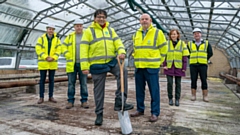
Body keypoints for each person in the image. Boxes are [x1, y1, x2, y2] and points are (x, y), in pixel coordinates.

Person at [80, 9, 134, 126]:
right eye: (99, 17)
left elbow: (118, 42)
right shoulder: (89, 31)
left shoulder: (110, 30)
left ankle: (120, 100)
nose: (101, 18)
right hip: (97, 64)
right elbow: (83, 50)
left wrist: (121, 51)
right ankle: (99, 114)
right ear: (94, 19)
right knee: (98, 91)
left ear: (106, 18)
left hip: (111, 61)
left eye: (103, 17)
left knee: (123, 71)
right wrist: (84, 66)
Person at [130, 13, 168, 122]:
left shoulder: (157, 33)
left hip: (151, 67)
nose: (144, 21)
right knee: (139, 90)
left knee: (154, 91)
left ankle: (155, 112)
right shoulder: (136, 34)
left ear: (151, 20)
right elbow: (136, 49)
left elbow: (164, 50)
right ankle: (140, 109)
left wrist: (159, 62)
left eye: (146, 19)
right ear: (140, 21)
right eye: (142, 19)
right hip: (139, 67)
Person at [62, 19, 89, 109]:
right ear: (74, 27)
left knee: (84, 83)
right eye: (77, 26)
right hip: (72, 64)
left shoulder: (86, 36)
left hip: (83, 64)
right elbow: (63, 46)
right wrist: (67, 54)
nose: (79, 27)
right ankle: (70, 101)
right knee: (71, 83)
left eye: (80, 26)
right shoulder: (69, 36)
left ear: (82, 26)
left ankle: (84, 101)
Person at [35, 23, 61, 104]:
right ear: (47, 29)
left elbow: (59, 50)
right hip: (43, 63)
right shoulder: (41, 39)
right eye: (50, 29)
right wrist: (46, 57)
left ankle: (51, 96)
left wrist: (53, 57)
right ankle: (41, 97)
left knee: (51, 80)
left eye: (52, 29)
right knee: (42, 80)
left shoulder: (57, 40)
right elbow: (38, 49)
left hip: (52, 63)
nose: (51, 31)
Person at [163, 29, 189, 107]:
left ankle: (177, 99)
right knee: (170, 83)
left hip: (179, 67)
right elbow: (164, 55)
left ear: (178, 35)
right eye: (172, 34)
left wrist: (184, 67)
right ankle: (170, 98)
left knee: (178, 84)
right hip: (169, 66)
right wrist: (164, 65)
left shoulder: (182, 44)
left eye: (175, 34)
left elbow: (185, 56)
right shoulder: (167, 44)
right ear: (170, 36)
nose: (173, 35)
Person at [188, 28, 213, 102]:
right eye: (195, 33)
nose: (196, 35)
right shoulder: (190, 44)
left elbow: (210, 53)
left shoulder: (206, 43)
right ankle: (193, 95)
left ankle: (205, 96)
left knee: (203, 80)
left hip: (203, 65)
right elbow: (187, 53)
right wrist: (192, 57)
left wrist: (205, 58)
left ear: (201, 34)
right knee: (193, 80)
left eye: (198, 33)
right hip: (193, 64)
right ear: (193, 35)